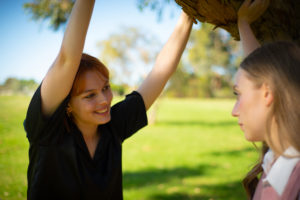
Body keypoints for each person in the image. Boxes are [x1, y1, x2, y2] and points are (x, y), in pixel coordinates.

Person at [23, 0, 193, 199]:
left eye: (106, 88)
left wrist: (189, 14)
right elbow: (67, 60)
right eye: (90, 95)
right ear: (67, 104)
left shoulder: (113, 126)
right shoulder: (46, 131)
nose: (104, 100)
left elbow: (161, 72)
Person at [233, 0, 300, 199]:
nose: (234, 111)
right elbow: (266, 74)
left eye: (239, 95)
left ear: (267, 94)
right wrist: (243, 24)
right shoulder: (274, 163)